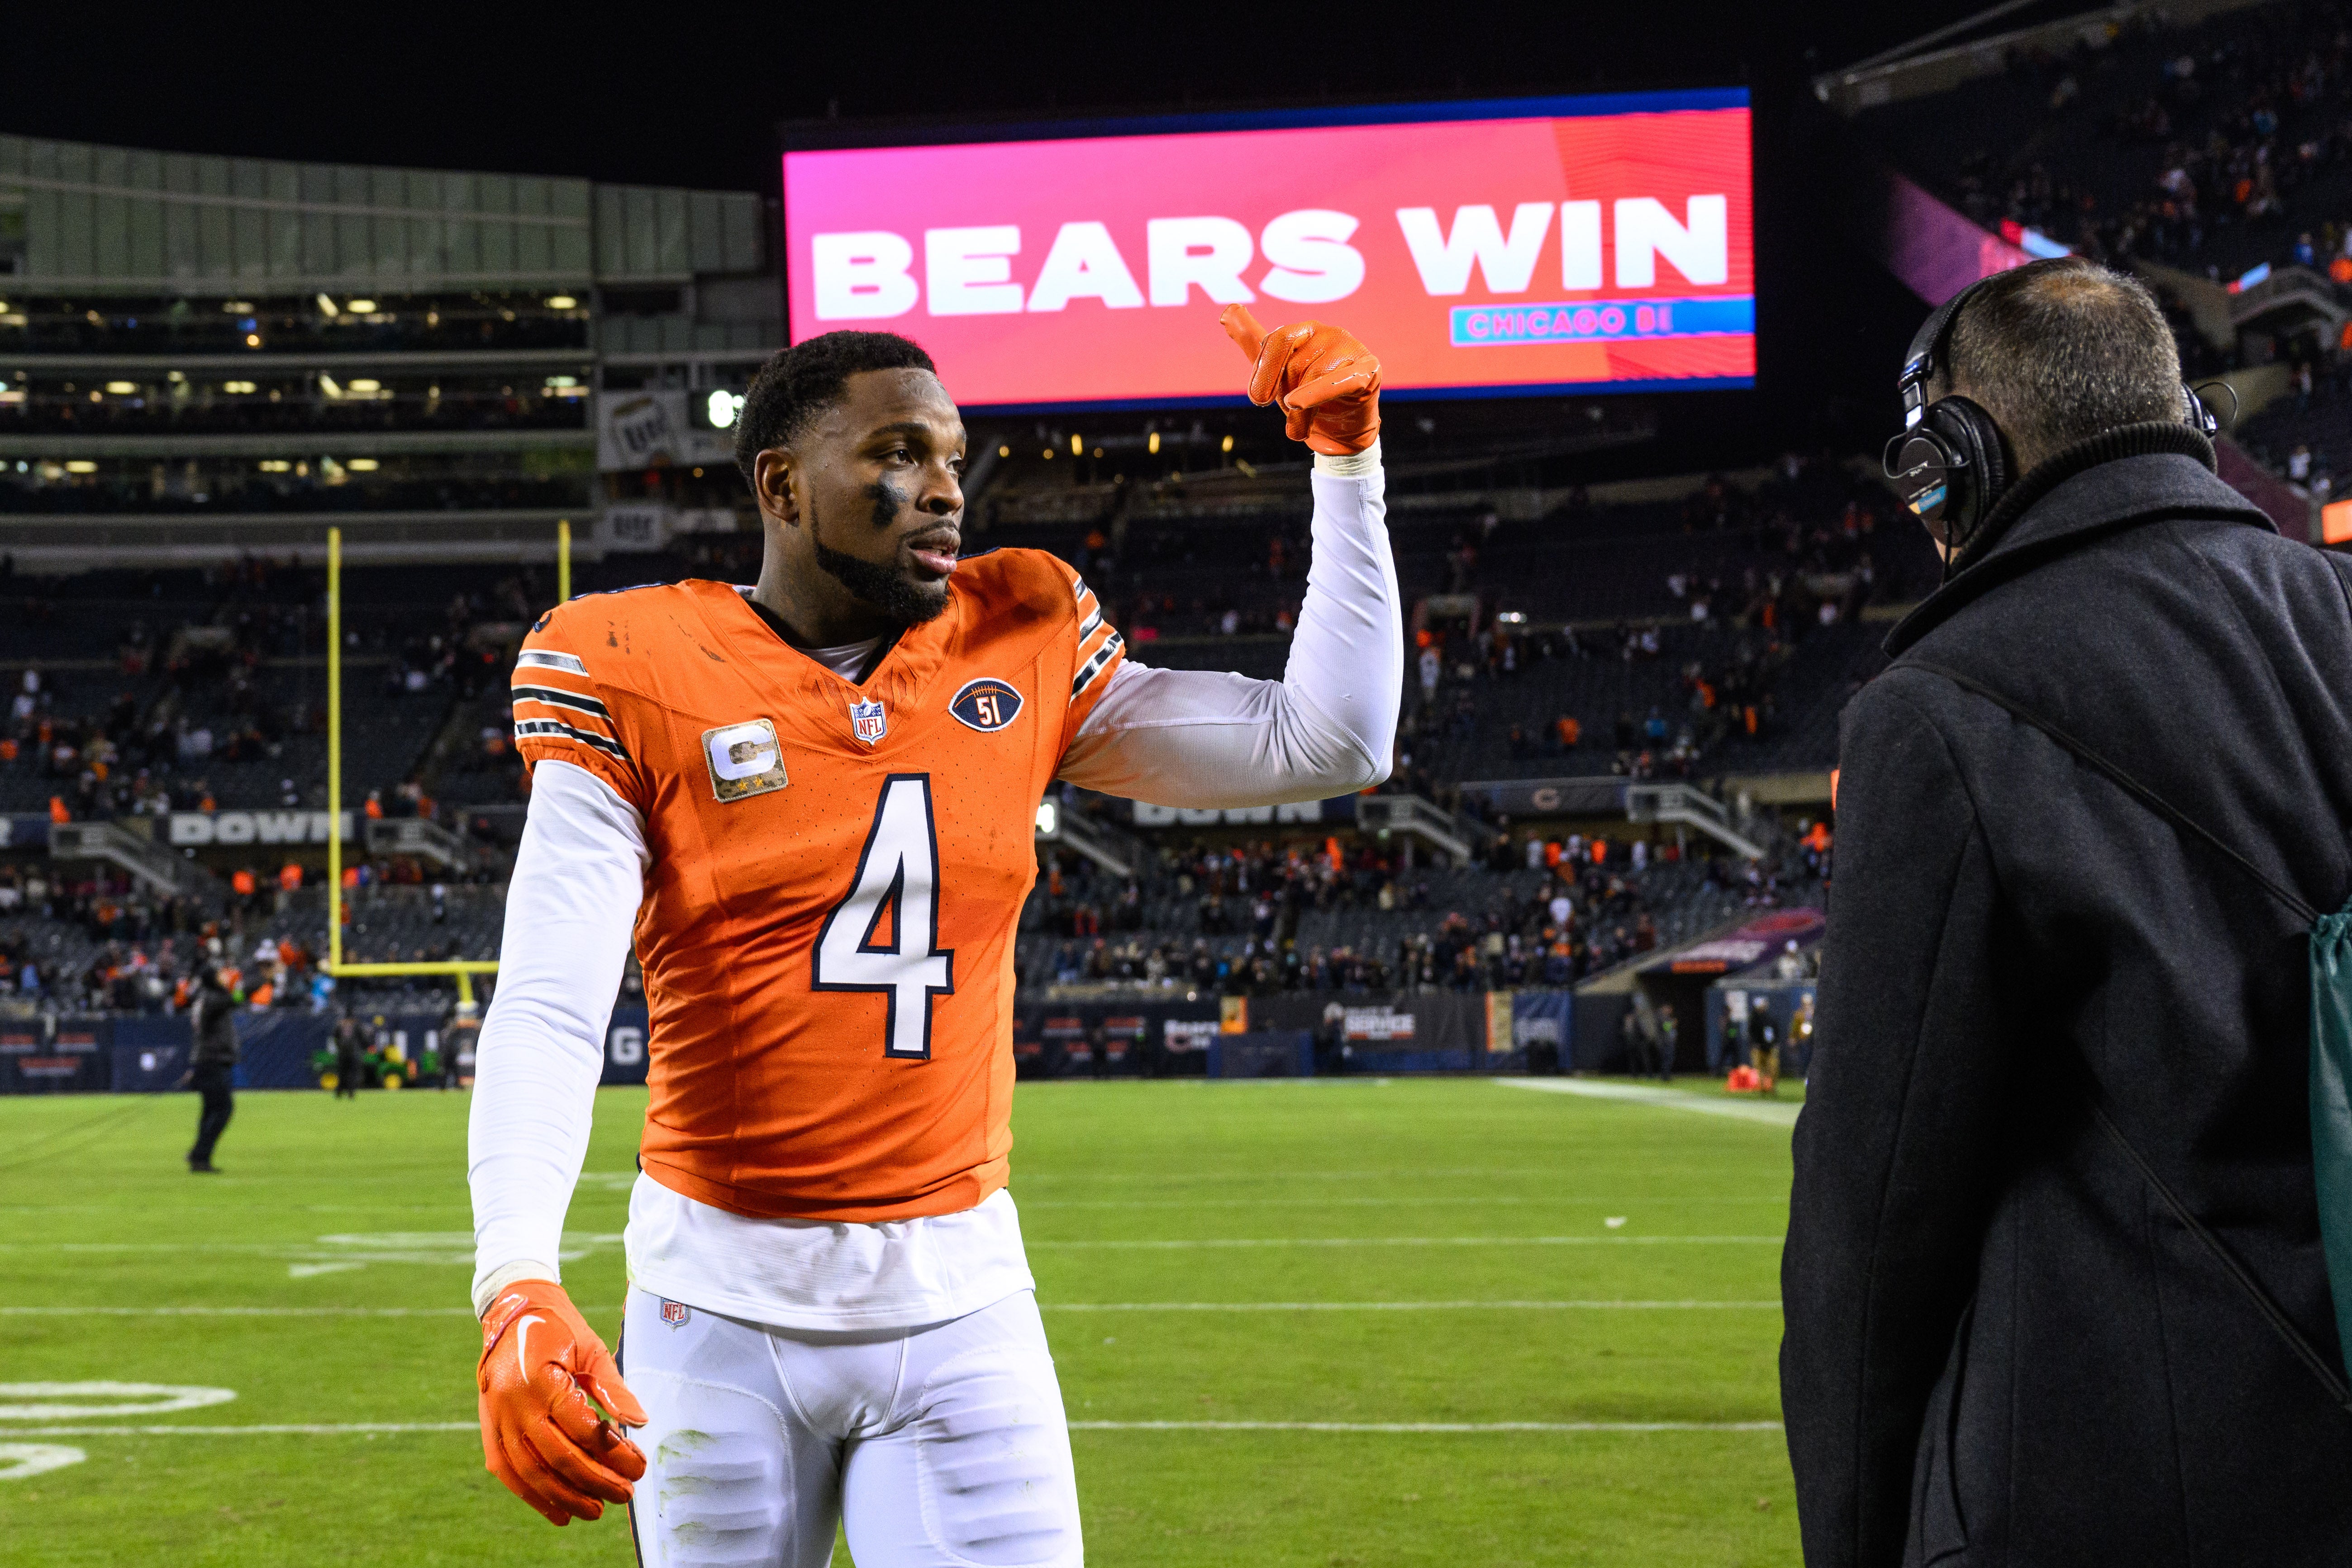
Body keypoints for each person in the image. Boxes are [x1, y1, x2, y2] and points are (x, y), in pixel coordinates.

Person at [468, 306, 1401, 1563]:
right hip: (716, 1307)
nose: (943, 491)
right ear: (783, 485)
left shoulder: (1020, 628)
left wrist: (1345, 464)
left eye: (953, 457)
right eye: (898, 455)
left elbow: (1329, 742)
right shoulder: (627, 659)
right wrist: (513, 1278)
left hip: (961, 1298)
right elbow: (550, 998)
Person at [1783, 257, 2352, 1565]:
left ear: (1953, 459)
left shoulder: (1934, 706)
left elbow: (1871, 1222)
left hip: (2106, 1492)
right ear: (2186, 424)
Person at [183, 966, 237, 1172]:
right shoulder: (213, 998)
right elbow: (235, 999)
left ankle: (198, 1154)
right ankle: (201, 1155)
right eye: (219, 975)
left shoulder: (203, 998)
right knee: (224, 1108)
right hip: (212, 1059)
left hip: (205, 1059)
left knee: (210, 1110)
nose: (224, 977)